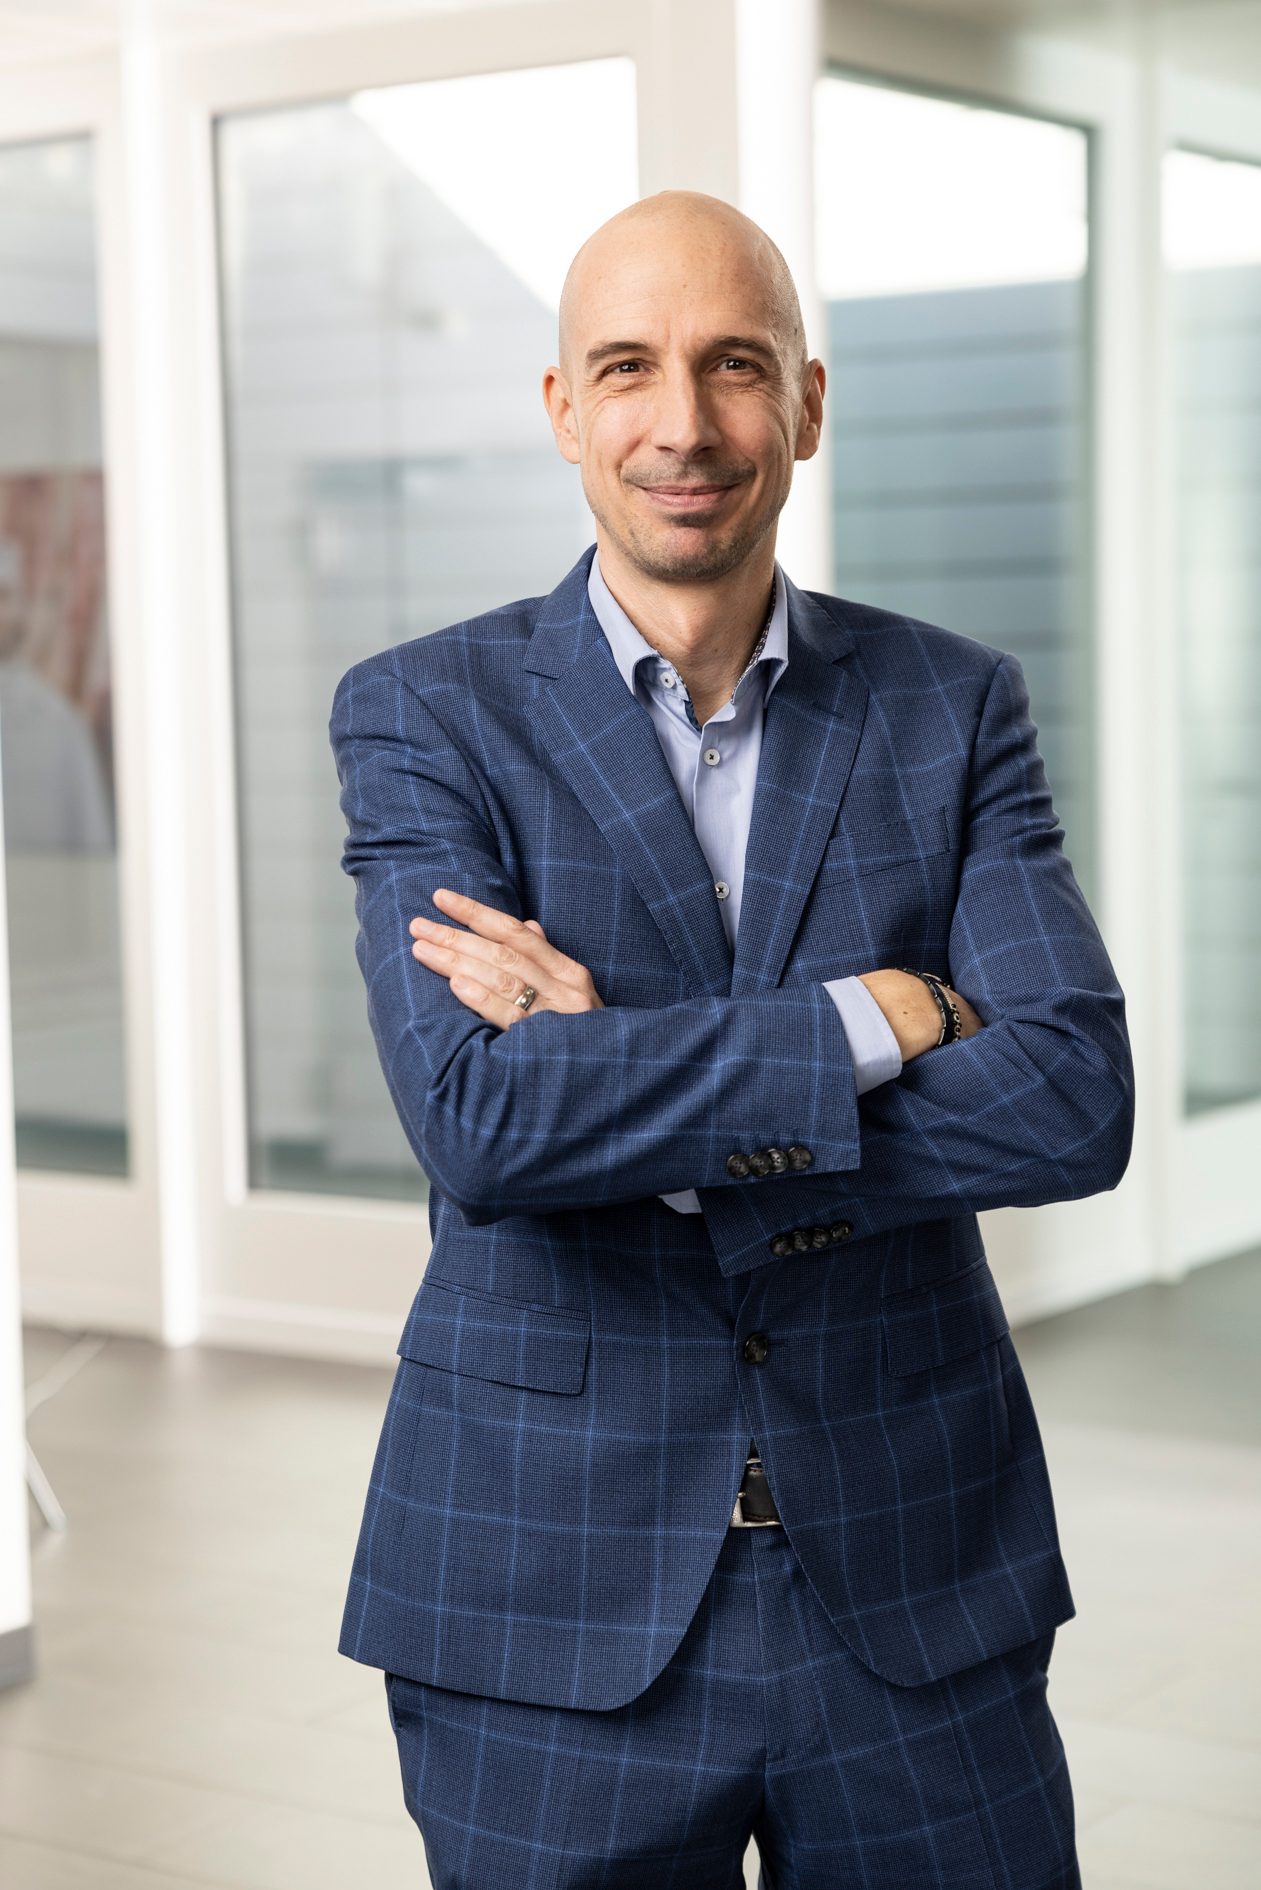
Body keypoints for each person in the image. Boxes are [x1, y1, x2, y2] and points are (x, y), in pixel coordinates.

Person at [329, 189, 1133, 1890]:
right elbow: (478, 1120)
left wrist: (632, 1081)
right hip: (547, 1589)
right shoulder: (422, 713)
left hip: (914, 1576)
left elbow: (1070, 1096)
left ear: (809, 404)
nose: (682, 424)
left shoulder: (950, 702)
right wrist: (872, 1018)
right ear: (562, 408)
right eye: (627, 367)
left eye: (735, 366)